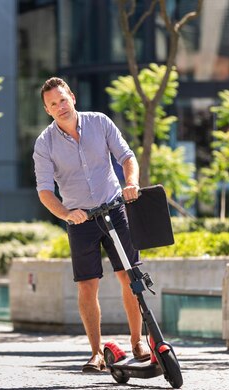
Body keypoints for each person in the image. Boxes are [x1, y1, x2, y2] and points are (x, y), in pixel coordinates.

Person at [32, 77, 151, 373]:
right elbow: (45, 191)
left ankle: (137, 343)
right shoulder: (44, 144)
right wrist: (66, 213)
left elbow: (127, 157)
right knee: (87, 285)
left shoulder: (100, 122)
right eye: (52, 104)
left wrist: (132, 183)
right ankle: (96, 353)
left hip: (114, 208)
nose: (60, 107)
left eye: (62, 99)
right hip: (80, 219)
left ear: (72, 97)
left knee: (129, 277)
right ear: (47, 110)